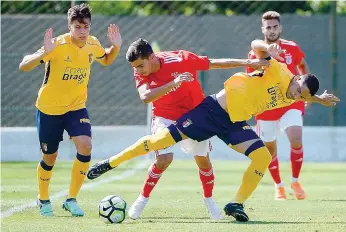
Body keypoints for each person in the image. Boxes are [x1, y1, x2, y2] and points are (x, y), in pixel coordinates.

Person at [87, 40, 339, 222]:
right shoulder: (280, 70)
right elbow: (255, 44)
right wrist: (265, 48)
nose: (296, 96)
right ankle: (111, 162)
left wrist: (318, 99)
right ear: (295, 78)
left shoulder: (297, 94)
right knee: (160, 141)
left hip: (234, 123)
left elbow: (302, 96)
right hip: (213, 110)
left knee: (262, 156)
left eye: (302, 97)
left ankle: (235, 203)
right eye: (298, 91)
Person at [93, 38, 268, 220]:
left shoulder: (181, 59)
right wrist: (174, 83)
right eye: (135, 67)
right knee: (163, 159)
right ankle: (142, 199)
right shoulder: (140, 72)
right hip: (164, 116)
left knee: (203, 161)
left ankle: (208, 199)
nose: (137, 70)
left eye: (140, 65)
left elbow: (213, 63)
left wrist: (249, 62)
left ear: (152, 57)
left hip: (196, 115)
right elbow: (145, 97)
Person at [18, 3, 122, 217]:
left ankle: (71, 199)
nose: (82, 32)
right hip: (49, 109)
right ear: (69, 26)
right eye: (77, 27)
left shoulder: (93, 44)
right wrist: (42, 54)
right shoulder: (57, 45)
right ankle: (43, 199)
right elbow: (24, 65)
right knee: (50, 157)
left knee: (85, 146)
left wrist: (116, 47)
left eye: (86, 27)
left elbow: (107, 59)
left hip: (76, 107)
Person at [246, 11, 311, 200]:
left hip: (290, 103)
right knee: (269, 150)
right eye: (268, 27)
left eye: (275, 27)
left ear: (280, 28)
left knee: (296, 139)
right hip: (266, 107)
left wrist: (305, 89)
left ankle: (295, 181)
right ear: (263, 29)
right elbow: (251, 80)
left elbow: (303, 66)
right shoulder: (256, 53)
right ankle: (279, 186)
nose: (272, 30)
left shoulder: (292, 48)